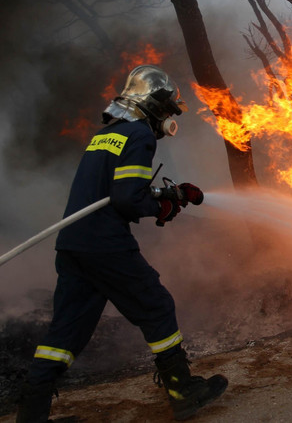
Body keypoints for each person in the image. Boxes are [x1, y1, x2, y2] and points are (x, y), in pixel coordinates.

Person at [16, 65, 227, 422]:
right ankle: (182, 390)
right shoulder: (140, 136)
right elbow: (127, 198)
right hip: (106, 244)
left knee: (65, 331)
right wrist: (159, 205)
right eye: (165, 109)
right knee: (156, 306)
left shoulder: (105, 135)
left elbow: (115, 189)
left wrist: (169, 194)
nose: (165, 118)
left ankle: (31, 415)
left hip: (73, 244)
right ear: (152, 104)